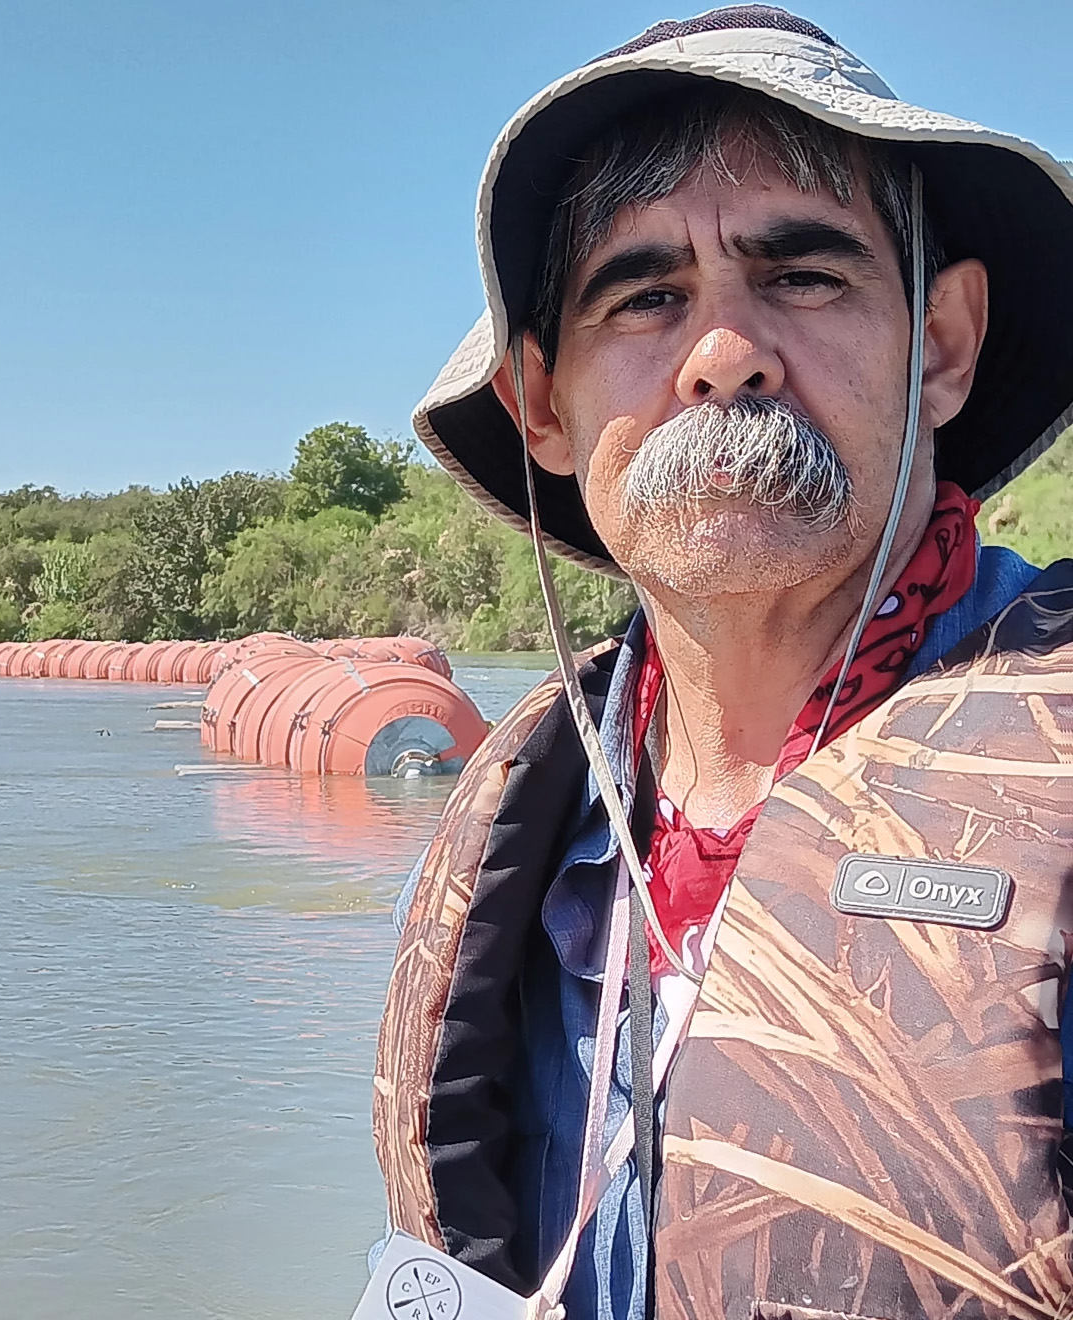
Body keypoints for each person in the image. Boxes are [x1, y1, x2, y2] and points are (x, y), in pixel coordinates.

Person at [371, 8, 1073, 1319]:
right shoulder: (529, 816)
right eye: (646, 296)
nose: (723, 353)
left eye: (805, 276)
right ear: (542, 405)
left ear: (946, 345)